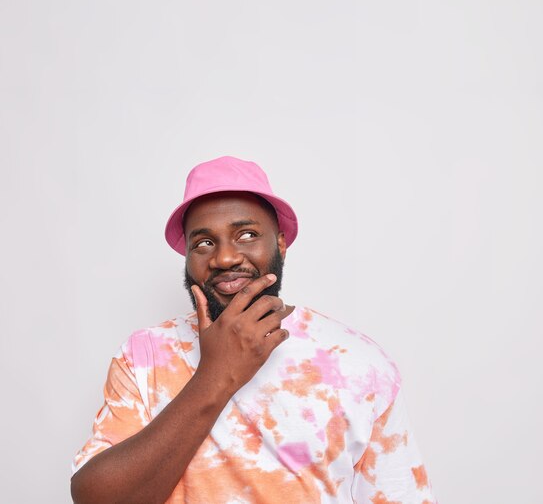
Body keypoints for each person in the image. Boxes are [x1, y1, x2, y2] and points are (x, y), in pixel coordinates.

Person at [71, 156, 436, 504]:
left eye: (245, 234)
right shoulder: (144, 356)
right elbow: (96, 498)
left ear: (279, 243)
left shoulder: (358, 363)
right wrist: (215, 376)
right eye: (204, 243)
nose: (225, 258)